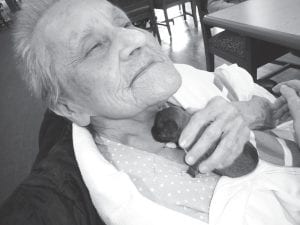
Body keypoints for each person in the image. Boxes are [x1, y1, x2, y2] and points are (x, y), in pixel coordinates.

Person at [0, 0, 299, 225]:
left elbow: (275, 103)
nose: (138, 39)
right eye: (94, 48)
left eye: (127, 25)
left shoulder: (193, 78)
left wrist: (259, 113)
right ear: (69, 107)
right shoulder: (54, 203)